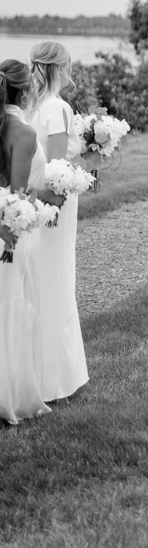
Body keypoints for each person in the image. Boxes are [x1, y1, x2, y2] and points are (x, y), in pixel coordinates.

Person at [28, 41, 89, 401]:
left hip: (36, 199)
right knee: (58, 277)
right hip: (56, 205)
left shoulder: (30, 107)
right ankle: (58, 377)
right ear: (56, 68)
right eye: (66, 65)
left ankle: (37, 366)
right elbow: (55, 169)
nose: (70, 71)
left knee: (39, 277)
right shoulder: (58, 108)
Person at [0, 60, 50, 425]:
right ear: (25, 90)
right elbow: (16, 195)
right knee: (10, 308)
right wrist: (45, 194)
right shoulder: (23, 132)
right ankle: (10, 397)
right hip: (8, 230)